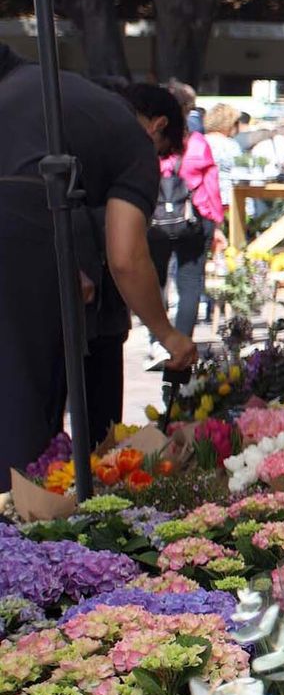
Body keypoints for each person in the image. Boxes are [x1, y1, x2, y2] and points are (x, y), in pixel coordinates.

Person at [0, 45, 196, 481]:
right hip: (22, 241)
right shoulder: (133, 143)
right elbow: (126, 256)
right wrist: (167, 334)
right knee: (24, 418)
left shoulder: (33, 89)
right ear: (157, 130)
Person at [131, 84, 223, 341]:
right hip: (194, 219)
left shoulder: (152, 148)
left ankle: (157, 341)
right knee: (190, 283)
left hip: (156, 220)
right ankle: (182, 340)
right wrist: (216, 223)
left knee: (156, 278)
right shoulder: (198, 143)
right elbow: (211, 185)